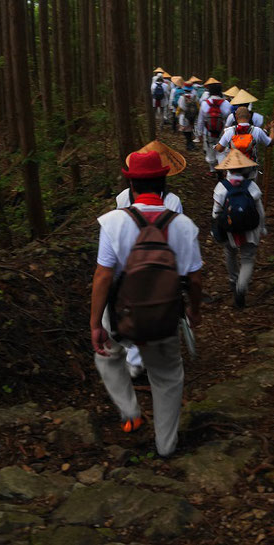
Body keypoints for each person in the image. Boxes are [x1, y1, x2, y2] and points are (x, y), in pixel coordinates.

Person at [91, 150, 202, 458]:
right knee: (167, 378)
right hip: (164, 315)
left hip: (120, 314)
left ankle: (130, 412)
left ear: (131, 184)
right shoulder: (184, 225)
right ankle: (166, 446)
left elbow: (102, 276)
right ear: (164, 182)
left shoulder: (112, 222)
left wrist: (95, 323)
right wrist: (194, 310)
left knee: (107, 357)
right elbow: (194, 280)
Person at [115, 140, 186, 379]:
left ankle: (134, 360)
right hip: (163, 263)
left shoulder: (122, 198)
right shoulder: (172, 201)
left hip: (130, 262)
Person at [212, 149, 266, 308]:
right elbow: (260, 212)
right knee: (247, 259)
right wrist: (262, 229)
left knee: (230, 252)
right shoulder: (252, 186)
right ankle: (241, 289)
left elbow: (216, 212)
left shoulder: (221, 187)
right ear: (246, 169)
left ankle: (233, 280)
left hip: (229, 231)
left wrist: (216, 229)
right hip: (250, 230)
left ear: (227, 169)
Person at [214, 106, 274, 179]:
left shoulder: (229, 131)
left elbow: (220, 149)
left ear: (236, 117)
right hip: (250, 170)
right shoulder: (257, 131)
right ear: (249, 116)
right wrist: (272, 128)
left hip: (233, 169)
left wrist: (215, 146)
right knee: (251, 189)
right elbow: (270, 142)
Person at [196, 83, 231, 173]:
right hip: (222, 132)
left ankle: (212, 169)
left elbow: (200, 120)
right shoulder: (226, 103)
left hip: (208, 132)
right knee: (221, 150)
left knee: (210, 149)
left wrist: (198, 133)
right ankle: (221, 169)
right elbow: (229, 120)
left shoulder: (204, 104)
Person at [177, 82, 199, 151]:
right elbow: (197, 106)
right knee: (190, 130)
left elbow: (180, 106)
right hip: (192, 116)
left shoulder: (182, 97)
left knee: (186, 131)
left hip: (184, 116)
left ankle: (189, 144)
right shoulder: (194, 96)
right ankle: (190, 144)